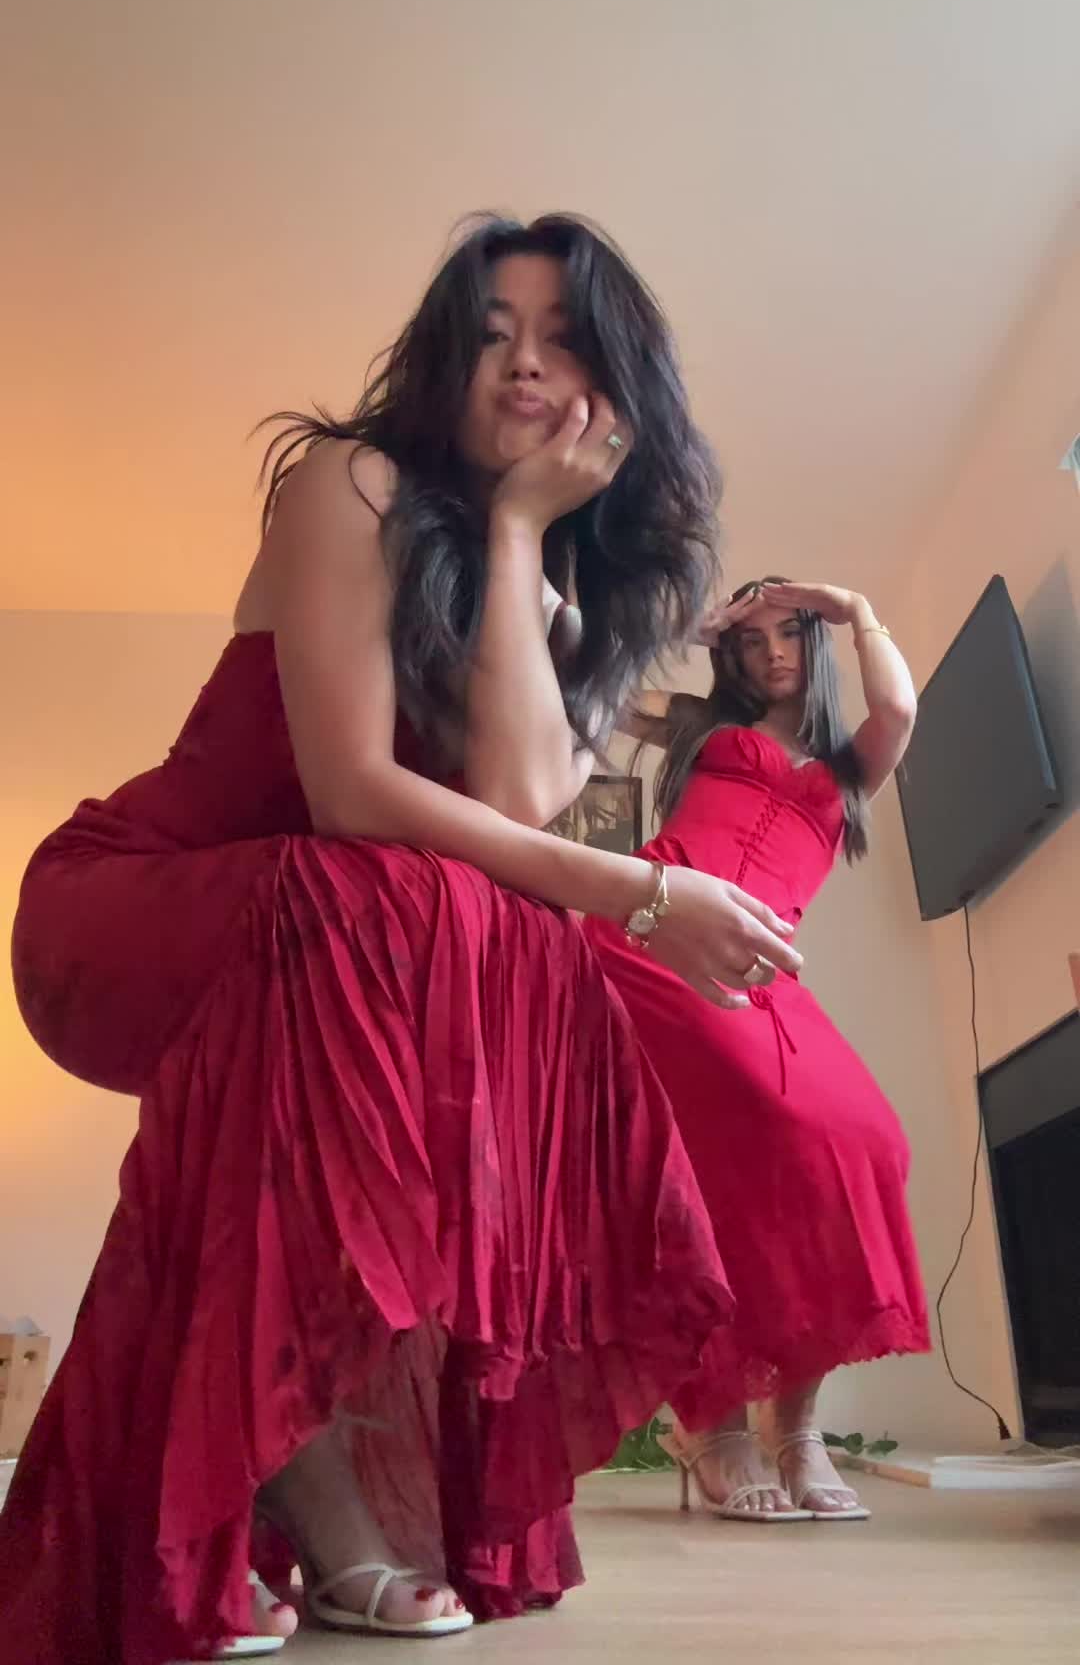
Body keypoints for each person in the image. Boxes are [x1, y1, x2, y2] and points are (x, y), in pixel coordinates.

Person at [0, 217, 804, 1664]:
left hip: (327, 945)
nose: (524, 365)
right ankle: (308, 1500)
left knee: (510, 943)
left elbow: (508, 798)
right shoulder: (350, 483)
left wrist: (517, 535)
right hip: (135, 903)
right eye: (491, 334)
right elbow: (353, 793)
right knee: (394, 897)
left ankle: (244, 1480)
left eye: (561, 339)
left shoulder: (561, 595)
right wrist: (642, 894)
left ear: (620, 391)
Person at [586, 577, 930, 1523]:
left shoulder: (851, 765)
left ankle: (794, 1424)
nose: (772, 652)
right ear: (729, 656)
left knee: (863, 1143)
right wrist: (677, 624)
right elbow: (591, 692)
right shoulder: (699, 726)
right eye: (752, 640)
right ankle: (713, 1418)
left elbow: (899, 707)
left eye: (790, 634)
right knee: (735, 1151)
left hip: (763, 969)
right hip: (657, 937)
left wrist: (853, 608)